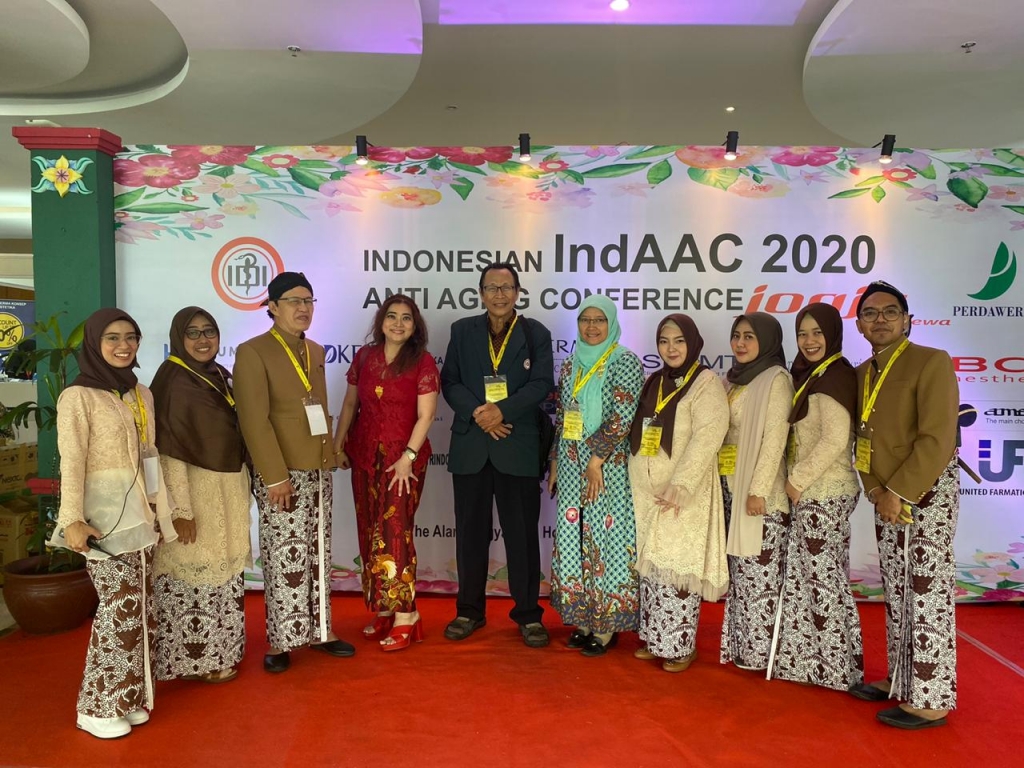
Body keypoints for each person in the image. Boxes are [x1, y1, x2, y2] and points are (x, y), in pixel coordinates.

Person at [56, 308, 177, 739]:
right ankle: (96, 707)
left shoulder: (139, 393)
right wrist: (72, 519)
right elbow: (72, 462)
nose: (123, 345)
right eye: (112, 337)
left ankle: (127, 696)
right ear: (95, 343)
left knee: (141, 609)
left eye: (131, 337)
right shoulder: (78, 397)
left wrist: (158, 507)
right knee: (117, 609)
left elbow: (151, 454)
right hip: (102, 518)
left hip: (141, 514)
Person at [847, 281, 959, 730]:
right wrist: (876, 490)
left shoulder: (931, 361)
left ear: (907, 320)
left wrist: (899, 492)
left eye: (890, 311)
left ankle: (932, 699)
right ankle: (901, 678)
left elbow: (937, 437)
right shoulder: (861, 373)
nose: (880, 319)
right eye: (870, 313)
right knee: (897, 591)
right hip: (885, 498)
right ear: (859, 325)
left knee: (927, 592)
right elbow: (862, 440)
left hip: (924, 495)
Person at [234, 271, 353, 673]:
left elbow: (315, 407)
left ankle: (322, 631)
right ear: (272, 307)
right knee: (284, 556)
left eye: (308, 301)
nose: (303, 309)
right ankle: (282, 641)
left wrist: (332, 452)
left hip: (317, 468)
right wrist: (274, 476)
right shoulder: (253, 351)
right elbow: (254, 420)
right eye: (294, 301)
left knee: (318, 553)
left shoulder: (315, 350)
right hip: (282, 473)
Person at [440, 262, 554, 647]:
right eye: (492, 287)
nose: (499, 294)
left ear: (518, 293)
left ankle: (528, 615)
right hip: (472, 444)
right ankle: (469, 611)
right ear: (481, 293)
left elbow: (541, 383)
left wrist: (501, 411)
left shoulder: (535, 333)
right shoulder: (462, 331)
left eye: (506, 287)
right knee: (470, 535)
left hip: (516, 445)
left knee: (522, 537)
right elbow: (450, 381)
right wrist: (480, 413)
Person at [151, 307, 251, 683]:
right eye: (192, 333)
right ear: (179, 338)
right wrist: (180, 510)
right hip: (196, 493)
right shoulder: (173, 381)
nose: (202, 339)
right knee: (194, 572)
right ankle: (195, 659)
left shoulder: (218, 374)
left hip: (227, 489)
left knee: (223, 570)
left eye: (209, 331)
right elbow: (169, 451)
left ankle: (222, 651)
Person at [334, 295, 439, 651]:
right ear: (381, 322)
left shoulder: (422, 361)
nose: (398, 323)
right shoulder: (365, 357)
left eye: (406, 318)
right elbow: (351, 402)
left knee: (395, 532)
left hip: (402, 462)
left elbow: (426, 415)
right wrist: (339, 443)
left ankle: (407, 614)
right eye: (391, 316)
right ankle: (385, 606)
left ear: (415, 325)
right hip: (365, 455)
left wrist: (409, 455)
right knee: (369, 530)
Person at [768, 303, 863, 690]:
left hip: (824, 491)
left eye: (817, 333)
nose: (809, 341)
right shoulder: (810, 375)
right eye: (802, 334)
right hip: (812, 492)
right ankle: (814, 663)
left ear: (833, 334)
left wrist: (797, 480)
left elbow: (835, 440)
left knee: (824, 580)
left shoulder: (836, 377)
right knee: (812, 578)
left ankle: (836, 667)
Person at [628, 314, 729, 672]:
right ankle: (655, 638)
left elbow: (708, 436)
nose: (671, 348)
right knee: (653, 566)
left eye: (679, 341)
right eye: (664, 341)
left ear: (693, 343)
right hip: (647, 491)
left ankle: (680, 646)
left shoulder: (706, 383)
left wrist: (681, 485)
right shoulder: (655, 380)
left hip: (683, 493)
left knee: (677, 567)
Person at [549, 296, 644, 656]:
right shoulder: (570, 363)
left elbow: (623, 415)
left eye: (599, 320)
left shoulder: (625, 362)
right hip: (572, 465)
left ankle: (606, 625)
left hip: (607, 468)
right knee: (575, 539)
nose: (591, 327)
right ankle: (584, 619)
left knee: (606, 539)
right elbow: (563, 416)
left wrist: (596, 460)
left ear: (611, 323)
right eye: (585, 320)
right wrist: (556, 462)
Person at [719, 312, 793, 671]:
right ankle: (744, 648)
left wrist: (758, 490)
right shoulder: (733, 379)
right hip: (732, 487)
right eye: (736, 335)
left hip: (760, 496)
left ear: (766, 340)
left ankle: (763, 654)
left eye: (749, 336)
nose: (740, 343)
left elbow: (775, 439)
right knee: (742, 576)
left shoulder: (776, 380)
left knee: (761, 576)